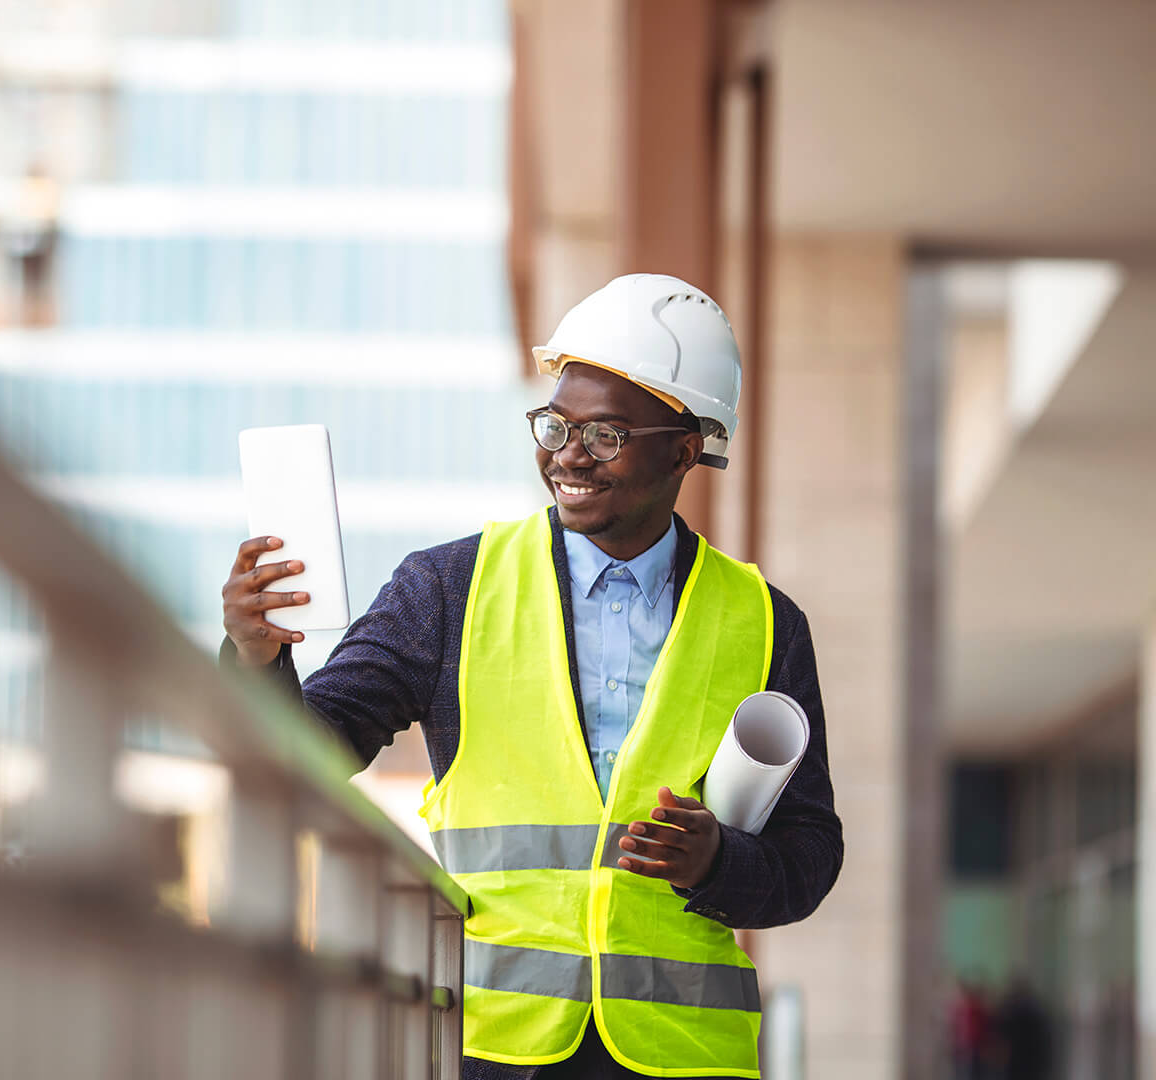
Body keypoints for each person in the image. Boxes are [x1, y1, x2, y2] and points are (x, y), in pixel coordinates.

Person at [220, 274, 844, 1079]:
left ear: (685, 447)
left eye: (607, 434)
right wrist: (258, 656)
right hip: (493, 1048)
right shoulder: (448, 588)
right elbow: (312, 751)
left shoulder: (765, 621)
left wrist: (718, 862)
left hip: (685, 1059)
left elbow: (809, 859)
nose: (567, 455)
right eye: (554, 425)